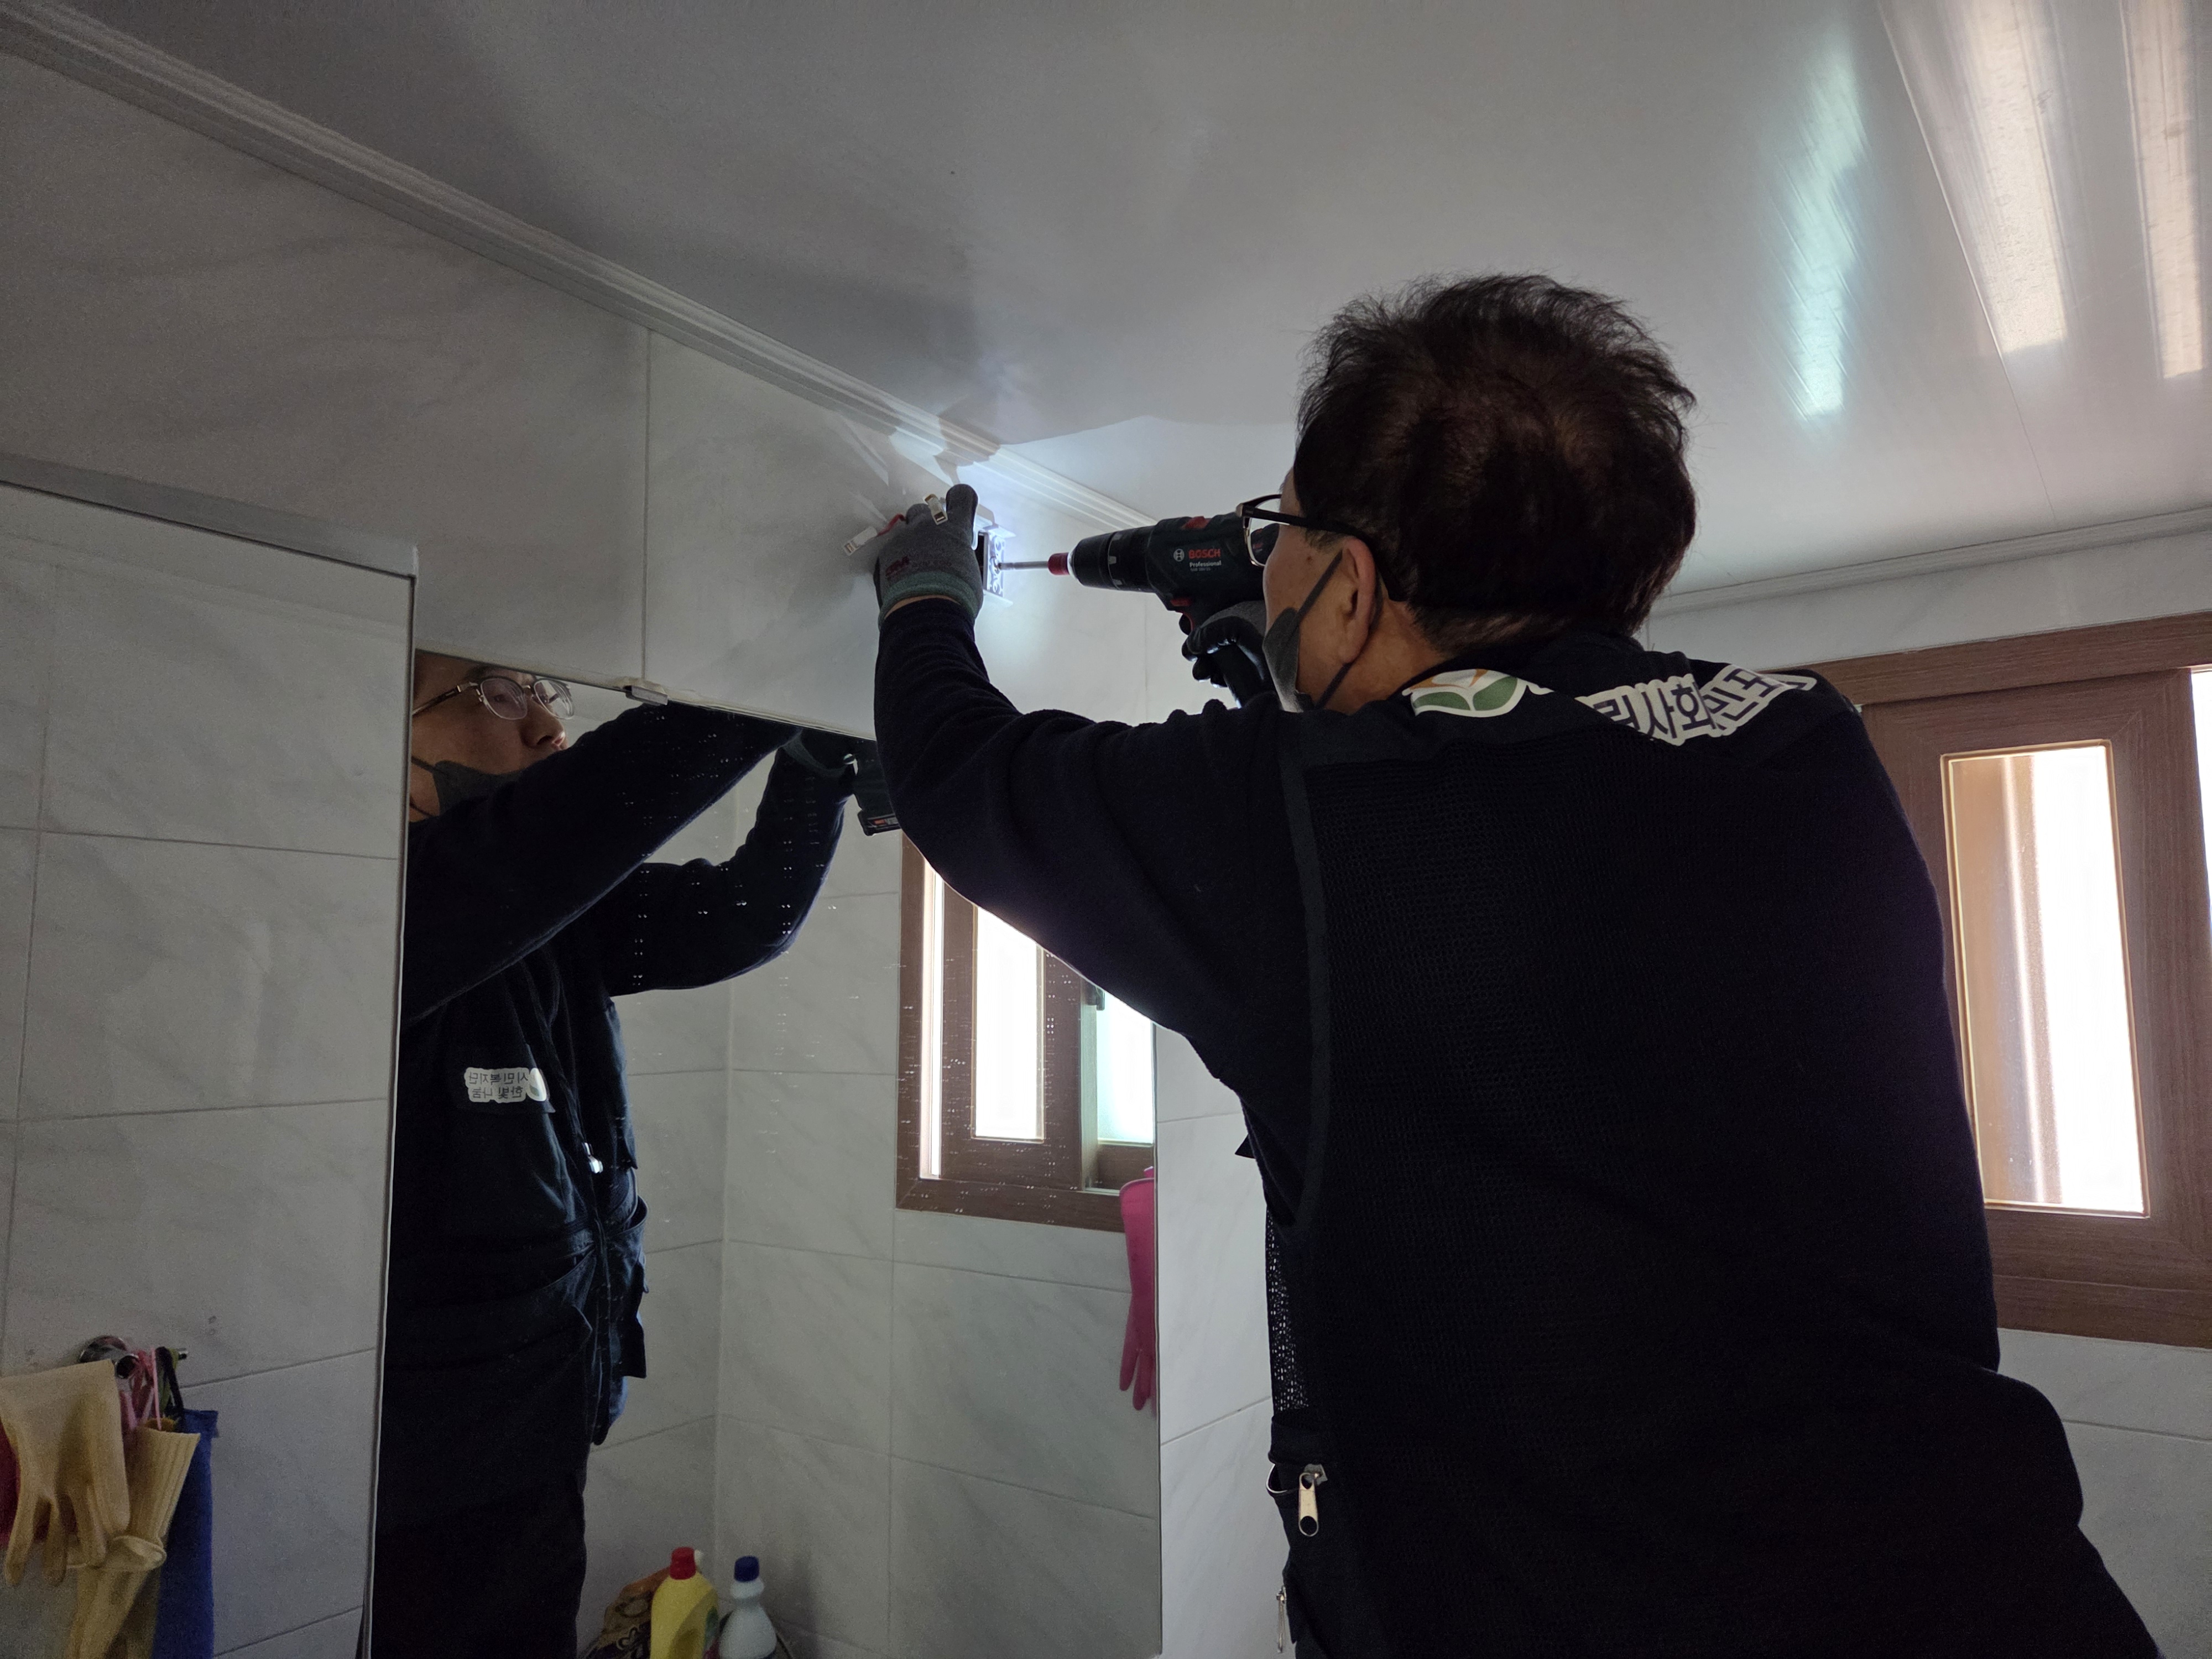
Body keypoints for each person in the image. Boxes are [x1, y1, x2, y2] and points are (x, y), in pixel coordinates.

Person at [868, 276, 2157, 1657]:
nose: (1266, 563)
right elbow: (1508, 845)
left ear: (1353, 586)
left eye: (1281, 536)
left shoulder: (1295, 820)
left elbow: (964, 779)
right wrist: (1302, 695)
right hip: (1992, 1595)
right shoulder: (1800, 743)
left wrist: (927, 591)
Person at [371, 653, 863, 1658]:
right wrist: (785, 665)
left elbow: (742, 917)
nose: (547, 728)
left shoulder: (550, 918)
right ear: (383, 730)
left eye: (542, 695)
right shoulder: (381, 906)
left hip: (540, 1424)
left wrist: (815, 766)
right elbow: (572, 824)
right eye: (497, 693)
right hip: (418, 1471)